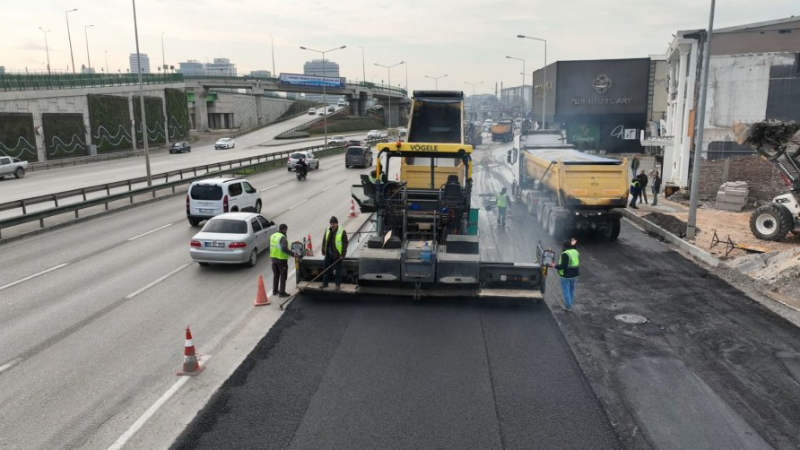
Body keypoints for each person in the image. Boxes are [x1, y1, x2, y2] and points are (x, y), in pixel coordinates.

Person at [321, 216, 349, 290]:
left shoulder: (342, 231)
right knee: (326, 269)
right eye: (331, 223)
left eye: (334, 223)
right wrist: (323, 250)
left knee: (337, 271)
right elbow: (324, 240)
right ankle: (325, 283)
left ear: (337, 223)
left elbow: (345, 243)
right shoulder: (327, 230)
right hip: (328, 254)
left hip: (337, 255)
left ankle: (337, 285)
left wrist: (343, 254)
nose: (332, 225)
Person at [552, 238, 580, 311]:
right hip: (575, 274)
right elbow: (574, 248)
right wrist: (574, 244)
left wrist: (554, 265)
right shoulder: (575, 251)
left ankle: (568, 306)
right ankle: (570, 303)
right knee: (571, 290)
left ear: (564, 246)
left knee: (566, 290)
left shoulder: (565, 254)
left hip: (566, 275)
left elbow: (563, 266)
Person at [270, 224, 293, 298]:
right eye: (286, 230)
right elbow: (284, 248)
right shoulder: (282, 238)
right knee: (283, 276)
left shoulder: (273, 235)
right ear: (284, 229)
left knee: (276, 275)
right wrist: (292, 254)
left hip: (273, 258)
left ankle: (275, 290)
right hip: (281, 260)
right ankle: (282, 292)